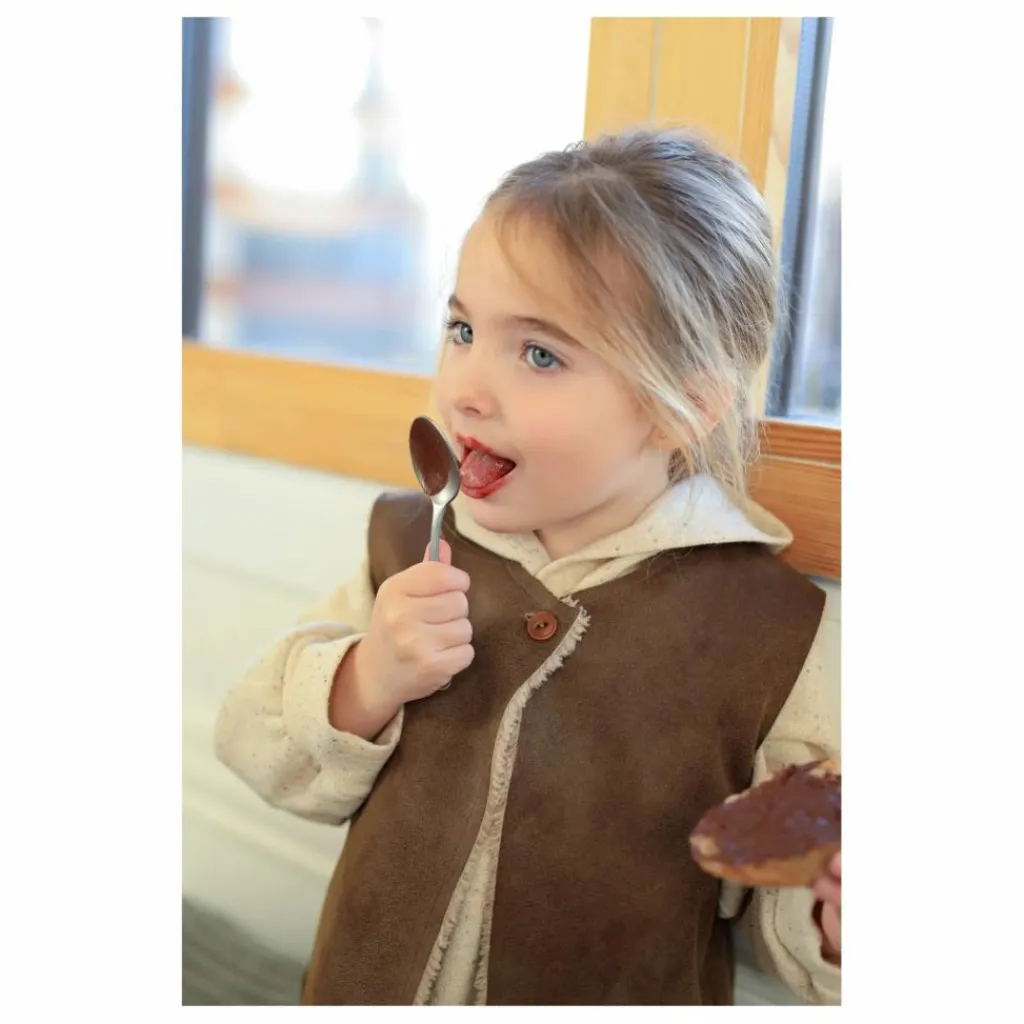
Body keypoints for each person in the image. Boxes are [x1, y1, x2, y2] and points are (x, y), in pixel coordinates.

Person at [215, 127, 842, 1006]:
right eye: (462, 329)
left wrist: (832, 921)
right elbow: (255, 746)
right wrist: (367, 676)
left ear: (683, 408)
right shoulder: (409, 542)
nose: (465, 388)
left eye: (540, 354)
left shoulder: (771, 631)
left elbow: (780, 903)